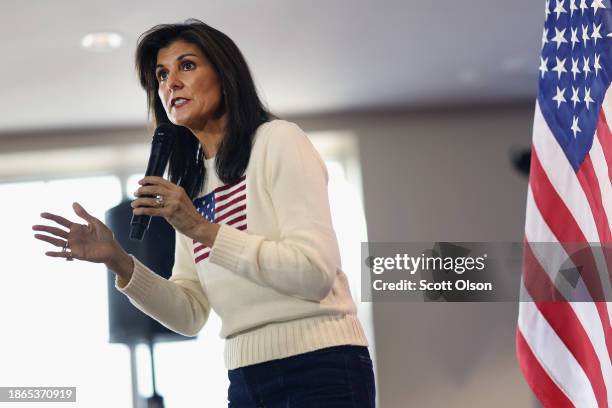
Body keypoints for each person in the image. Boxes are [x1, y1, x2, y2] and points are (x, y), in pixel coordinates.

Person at [32, 19, 375, 407]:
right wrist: (119, 262)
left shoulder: (278, 141)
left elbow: (313, 273)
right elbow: (191, 312)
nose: (170, 83)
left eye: (187, 66)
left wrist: (201, 228)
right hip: (245, 377)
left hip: (321, 367)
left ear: (225, 75)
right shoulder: (192, 185)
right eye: (161, 75)